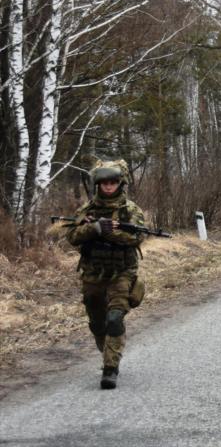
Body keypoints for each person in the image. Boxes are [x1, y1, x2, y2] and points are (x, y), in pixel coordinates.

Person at [64, 159, 146, 389]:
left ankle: (111, 368)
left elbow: (137, 238)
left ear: (120, 184)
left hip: (122, 273)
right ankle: (107, 350)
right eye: (104, 183)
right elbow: (72, 237)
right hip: (93, 274)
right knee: (98, 323)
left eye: (112, 182)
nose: (108, 187)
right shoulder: (87, 210)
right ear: (98, 185)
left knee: (114, 319)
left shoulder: (130, 210)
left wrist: (112, 233)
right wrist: (95, 228)